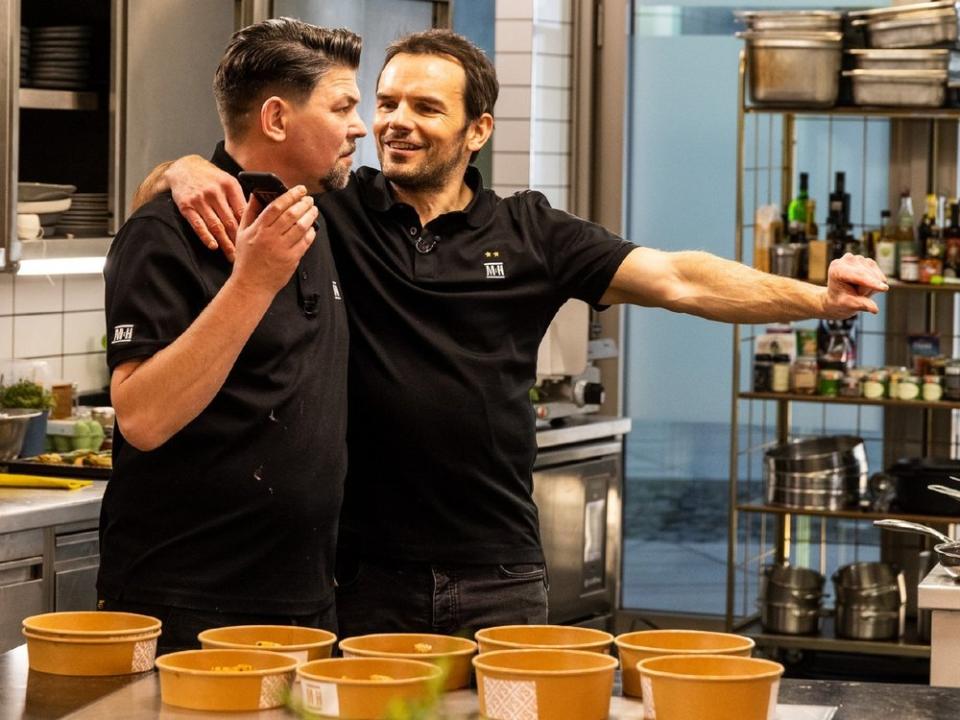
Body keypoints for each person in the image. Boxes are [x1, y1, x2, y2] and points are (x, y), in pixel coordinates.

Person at [135, 29, 888, 639]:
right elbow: (210, 182)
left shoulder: (530, 231)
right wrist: (177, 169)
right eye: (387, 102)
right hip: (362, 576)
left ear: (478, 129)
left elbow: (679, 277)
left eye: (426, 108)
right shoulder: (335, 207)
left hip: (499, 573)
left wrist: (817, 296)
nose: (395, 122)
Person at [98, 18, 366, 653]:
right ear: (276, 118)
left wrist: (177, 163)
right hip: (187, 603)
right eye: (343, 107)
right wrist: (252, 281)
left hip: (307, 599)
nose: (361, 126)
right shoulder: (165, 234)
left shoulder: (322, 214)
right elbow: (141, 416)